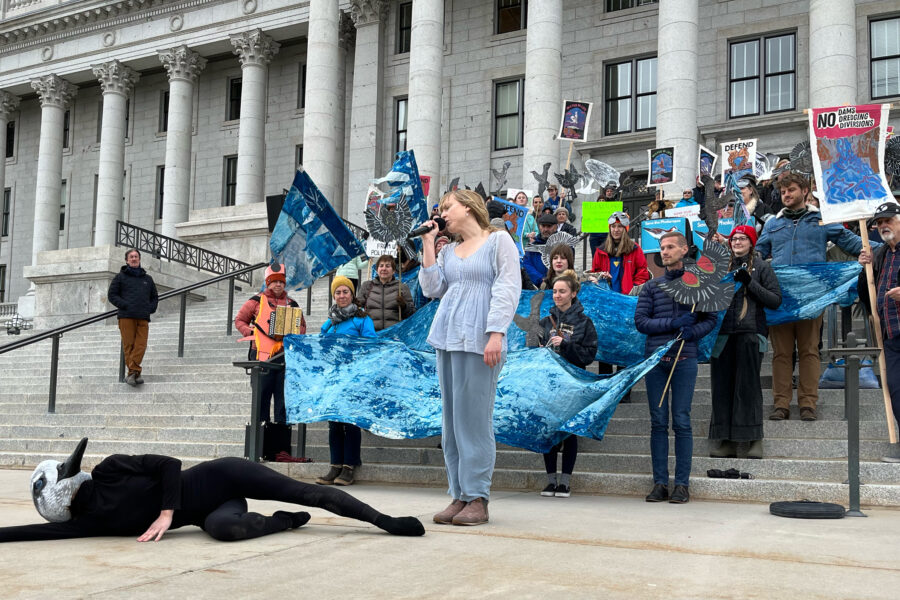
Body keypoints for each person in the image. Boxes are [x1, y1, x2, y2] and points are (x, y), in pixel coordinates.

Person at [0, 437, 424, 542]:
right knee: (225, 530)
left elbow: (169, 466)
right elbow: (35, 533)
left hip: (221, 476)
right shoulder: (86, 523)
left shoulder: (109, 470)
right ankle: (284, 522)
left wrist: (167, 512)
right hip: (210, 510)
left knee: (307, 492)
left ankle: (385, 521)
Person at [419, 189, 521, 526]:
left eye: (448, 207)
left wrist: (496, 332)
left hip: (480, 338)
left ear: (468, 207)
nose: (443, 213)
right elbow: (432, 289)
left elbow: (508, 286)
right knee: (451, 421)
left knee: (474, 420)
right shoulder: (449, 251)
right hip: (448, 337)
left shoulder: (498, 241)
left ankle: (478, 496)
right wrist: (428, 244)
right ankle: (459, 493)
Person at [755, 173, 870, 422]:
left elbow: (852, 243)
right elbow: (759, 253)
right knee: (781, 353)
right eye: (783, 192)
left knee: (809, 351)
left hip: (812, 297)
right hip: (780, 297)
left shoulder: (822, 219)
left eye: (791, 190)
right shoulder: (773, 224)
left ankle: (808, 404)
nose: (786, 195)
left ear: (805, 191)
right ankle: (781, 404)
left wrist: (878, 250)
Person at [634, 232, 716, 504]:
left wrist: (692, 333)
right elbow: (642, 322)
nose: (665, 251)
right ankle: (660, 482)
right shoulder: (651, 287)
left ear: (684, 250)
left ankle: (682, 484)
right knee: (658, 422)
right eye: (662, 247)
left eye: (670, 247)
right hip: (657, 361)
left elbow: (710, 319)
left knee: (681, 421)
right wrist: (671, 324)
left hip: (685, 359)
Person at [708, 226, 782, 459]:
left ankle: (753, 438)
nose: (737, 242)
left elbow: (774, 300)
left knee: (748, 387)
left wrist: (750, 282)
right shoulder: (720, 266)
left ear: (752, 242)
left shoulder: (762, 267)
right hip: (722, 335)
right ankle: (726, 439)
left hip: (751, 332)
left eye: (743, 238)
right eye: (734, 238)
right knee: (722, 387)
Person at [536, 270, 598, 498]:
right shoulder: (544, 321)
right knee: (550, 432)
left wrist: (566, 345)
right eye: (554, 291)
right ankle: (550, 480)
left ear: (573, 293)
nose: (557, 295)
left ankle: (565, 482)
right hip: (550, 385)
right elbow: (532, 349)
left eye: (562, 291)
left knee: (569, 433)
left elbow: (589, 355)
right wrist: (541, 352)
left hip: (573, 384)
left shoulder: (584, 322)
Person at [316, 276, 377, 486]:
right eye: (338, 292)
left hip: (354, 377)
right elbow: (321, 347)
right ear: (334, 296)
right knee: (334, 424)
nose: (342, 296)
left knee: (351, 423)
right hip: (334, 379)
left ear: (352, 294)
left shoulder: (362, 319)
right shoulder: (329, 322)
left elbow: (370, 346)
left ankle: (349, 467)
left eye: (345, 292)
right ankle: (335, 466)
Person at [234, 264, 305, 424]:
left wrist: (294, 333)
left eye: (281, 281)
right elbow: (239, 320)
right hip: (260, 356)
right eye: (274, 281)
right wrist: (252, 333)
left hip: (284, 357)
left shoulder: (292, 304)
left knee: (283, 402)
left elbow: (302, 326)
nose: (278, 284)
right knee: (261, 400)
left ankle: (281, 446)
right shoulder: (255, 301)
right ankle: (261, 442)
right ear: (267, 282)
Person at [858, 201, 900, 462]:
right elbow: (866, 296)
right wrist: (865, 270)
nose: (883, 226)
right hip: (891, 334)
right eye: (880, 222)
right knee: (895, 388)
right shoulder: (881, 254)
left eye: (889, 220)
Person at [107, 248, 159, 387]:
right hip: (126, 316)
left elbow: (154, 297)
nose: (134, 259)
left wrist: (150, 308)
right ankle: (135, 373)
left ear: (140, 259)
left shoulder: (148, 279)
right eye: (131, 257)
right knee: (129, 345)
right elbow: (112, 295)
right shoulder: (120, 277)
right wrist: (125, 305)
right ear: (127, 260)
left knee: (141, 345)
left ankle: (132, 372)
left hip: (143, 316)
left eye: (136, 256)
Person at [590, 212, 650, 295]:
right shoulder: (600, 251)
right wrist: (601, 277)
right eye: (613, 226)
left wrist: (634, 288)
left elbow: (642, 272)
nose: (616, 230)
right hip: (606, 297)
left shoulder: (635, 249)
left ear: (625, 229)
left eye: (620, 226)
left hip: (628, 298)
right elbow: (595, 273)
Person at [357, 254, 415, 331]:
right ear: (377, 270)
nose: (384, 269)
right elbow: (356, 308)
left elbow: (412, 314)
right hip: (371, 334)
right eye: (381, 266)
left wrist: (404, 306)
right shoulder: (367, 286)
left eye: (387, 266)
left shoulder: (402, 287)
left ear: (393, 270)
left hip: (394, 334)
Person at [522, 213, 558, 288]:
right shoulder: (532, 246)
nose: (545, 229)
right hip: (538, 286)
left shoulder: (562, 245)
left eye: (549, 226)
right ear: (539, 227)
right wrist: (540, 279)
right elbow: (527, 264)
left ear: (555, 227)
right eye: (543, 226)